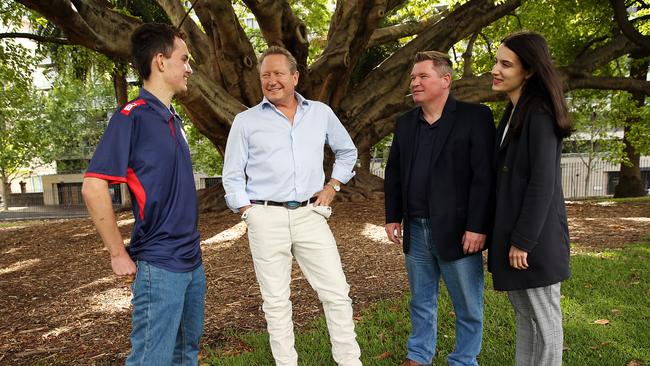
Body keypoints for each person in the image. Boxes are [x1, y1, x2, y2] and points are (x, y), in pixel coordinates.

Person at [222, 46, 362, 366]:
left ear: (295, 77)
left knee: (336, 293)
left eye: (278, 74)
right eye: (265, 75)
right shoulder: (245, 121)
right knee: (276, 302)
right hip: (265, 217)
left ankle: (349, 362)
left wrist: (332, 186)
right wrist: (248, 212)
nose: (271, 81)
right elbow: (231, 175)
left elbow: (347, 152)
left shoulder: (321, 113)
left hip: (311, 215)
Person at [81, 23, 205, 365]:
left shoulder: (173, 118)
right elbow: (93, 187)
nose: (190, 68)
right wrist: (117, 252)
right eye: (185, 59)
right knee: (152, 359)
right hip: (160, 264)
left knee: (185, 355)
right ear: (161, 62)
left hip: (192, 259)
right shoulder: (130, 117)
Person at [384, 51, 495, 366]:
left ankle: (463, 359)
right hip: (416, 229)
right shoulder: (405, 123)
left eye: (422, 77)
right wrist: (393, 216)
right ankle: (418, 356)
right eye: (413, 77)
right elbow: (394, 172)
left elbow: (484, 177)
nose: (414, 83)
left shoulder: (476, 117)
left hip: (460, 230)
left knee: (468, 304)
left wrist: (478, 226)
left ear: (445, 80)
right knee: (421, 300)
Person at [489, 31, 572, 366]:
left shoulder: (539, 113)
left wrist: (522, 241)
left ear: (529, 71)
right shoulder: (512, 113)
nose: (494, 69)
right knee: (527, 319)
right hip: (514, 237)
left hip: (535, 241)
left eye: (505, 64)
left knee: (546, 324)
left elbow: (543, 183)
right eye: (496, 61)